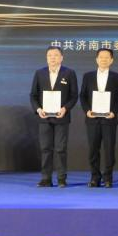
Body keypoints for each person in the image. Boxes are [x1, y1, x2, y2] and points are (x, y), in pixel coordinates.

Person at [29, 46, 78, 188]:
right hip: (44, 117)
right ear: (46, 58)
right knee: (45, 148)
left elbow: (74, 95)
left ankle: (62, 178)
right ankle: (46, 178)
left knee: (61, 149)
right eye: (50, 55)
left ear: (61, 57)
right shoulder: (39, 73)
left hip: (62, 117)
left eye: (56, 55)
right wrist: (38, 109)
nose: (53, 58)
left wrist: (65, 108)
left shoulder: (69, 73)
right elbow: (33, 95)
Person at [79, 48, 118, 188]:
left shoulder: (117, 77)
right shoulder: (88, 76)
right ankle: (95, 177)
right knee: (93, 150)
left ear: (111, 60)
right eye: (101, 57)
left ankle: (108, 178)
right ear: (96, 59)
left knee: (109, 150)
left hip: (109, 119)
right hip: (92, 119)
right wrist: (87, 110)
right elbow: (83, 96)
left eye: (107, 57)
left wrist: (114, 112)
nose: (104, 59)